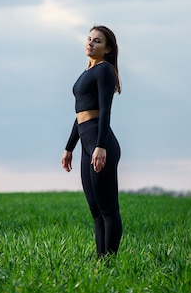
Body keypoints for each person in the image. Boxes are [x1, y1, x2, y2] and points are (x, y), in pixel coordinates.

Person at [61, 25, 122, 258]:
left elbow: (105, 111)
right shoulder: (87, 72)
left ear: (107, 49)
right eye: (89, 39)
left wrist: (101, 145)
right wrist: (69, 148)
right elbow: (80, 116)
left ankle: (110, 263)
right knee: (96, 211)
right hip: (87, 142)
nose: (91, 43)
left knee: (108, 210)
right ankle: (100, 263)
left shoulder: (104, 70)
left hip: (100, 142)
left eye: (97, 41)